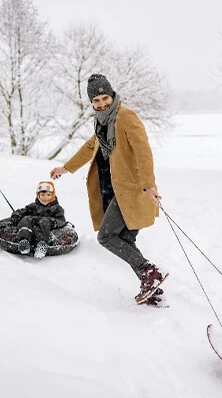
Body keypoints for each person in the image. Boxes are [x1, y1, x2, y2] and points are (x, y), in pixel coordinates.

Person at [50, 73, 167, 305]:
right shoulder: (102, 122)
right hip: (114, 191)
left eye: (105, 98)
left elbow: (143, 152)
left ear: (112, 95)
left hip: (132, 191)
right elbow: (89, 147)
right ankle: (151, 286)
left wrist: (149, 185)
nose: (101, 103)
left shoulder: (125, 117)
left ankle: (149, 272)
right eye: (96, 100)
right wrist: (65, 168)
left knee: (106, 237)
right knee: (124, 239)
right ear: (91, 103)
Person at [8, 180, 67, 259]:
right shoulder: (33, 206)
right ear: (38, 195)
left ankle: (41, 246)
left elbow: (61, 220)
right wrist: (16, 216)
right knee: (26, 219)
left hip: (44, 228)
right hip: (31, 226)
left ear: (52, 195)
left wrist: (53, 222)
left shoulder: (57, 208)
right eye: (42, 195)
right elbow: (22, 211)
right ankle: (24, 242)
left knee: (44, 221)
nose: (45, 198)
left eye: (48, 195)